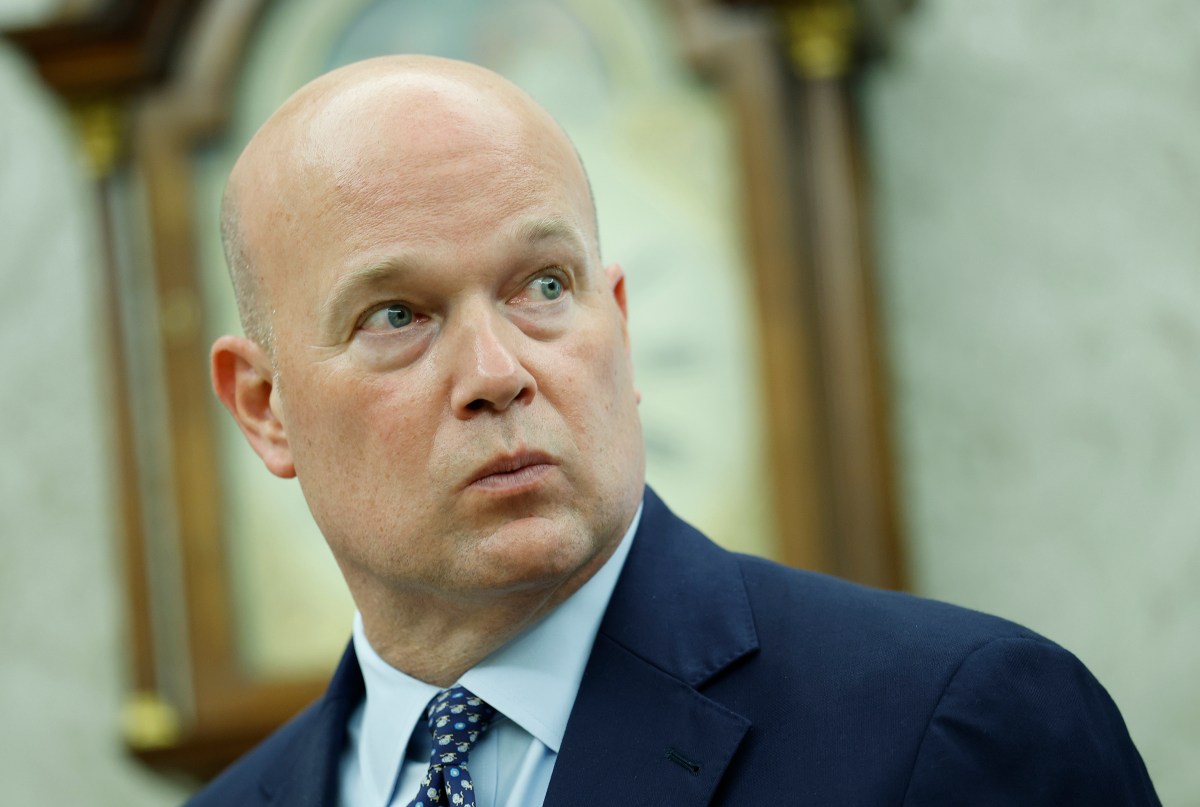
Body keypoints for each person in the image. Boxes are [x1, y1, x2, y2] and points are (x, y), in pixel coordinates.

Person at [188, 55, 1159, 807]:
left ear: (617, 322)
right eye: (397, 315)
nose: (498, 373)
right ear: (266, 408)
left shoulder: (956, 724)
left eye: (544, 286)